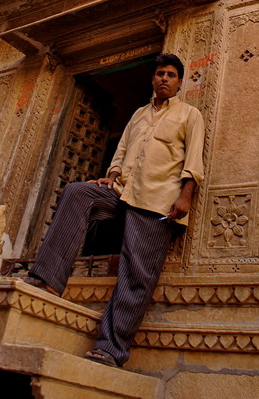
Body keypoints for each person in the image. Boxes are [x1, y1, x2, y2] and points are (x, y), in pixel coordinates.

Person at [22, 52, 205, 368]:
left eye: (171, 75)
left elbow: (194, 161)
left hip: (157, 202)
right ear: (153, 79)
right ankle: (48, 277)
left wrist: (185, 197)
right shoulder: (138, 115)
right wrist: (112, 175)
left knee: (136, 275)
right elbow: (121, 152)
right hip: (123, 193)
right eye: (160, 73)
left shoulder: (190, 115)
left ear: (178, 82)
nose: (164, 78)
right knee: (79, 193)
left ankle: (111, 349)